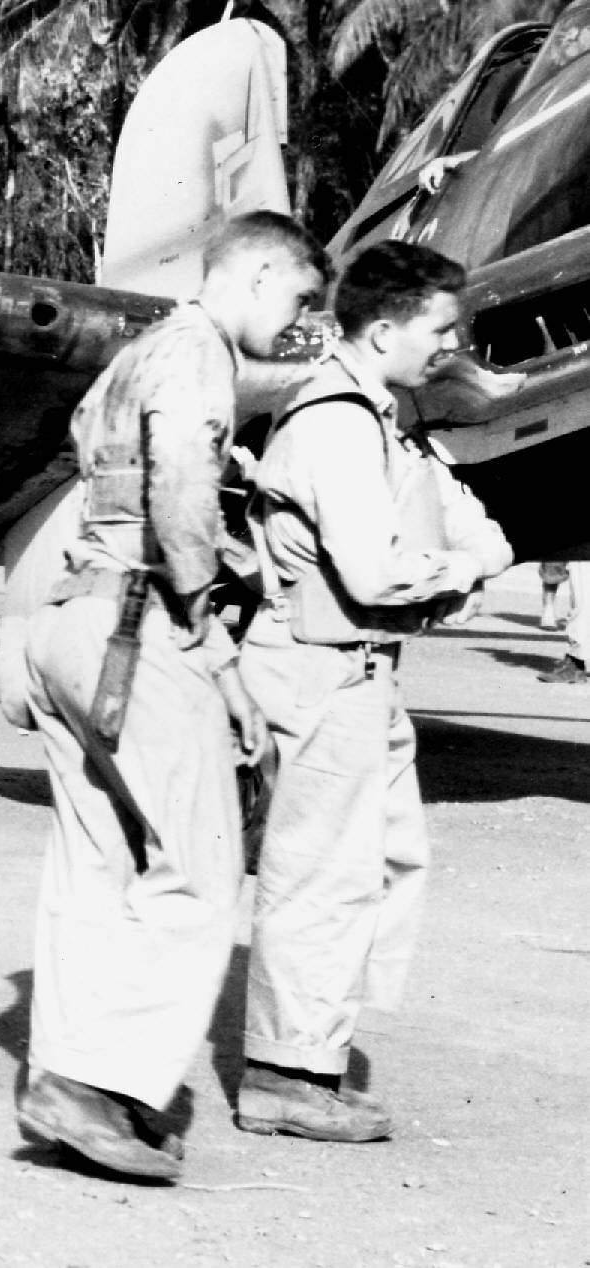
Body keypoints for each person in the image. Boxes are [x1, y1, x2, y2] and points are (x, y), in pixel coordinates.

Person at [14, 211, 330, 1182]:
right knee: (195, 873)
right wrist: (216, 648)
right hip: (140, 626)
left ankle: (66, 1077)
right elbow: (181, 492)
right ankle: (104, 1082)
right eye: (300, 298)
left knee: (93, 866)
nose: (303, 322)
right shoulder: (198, 355)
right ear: (256, 273)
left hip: (71, 618)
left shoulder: (134, 355)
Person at [236, 241, 511, 1140]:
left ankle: (311, 1052)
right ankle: (283, 1077)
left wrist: (467, 558)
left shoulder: (382, 415)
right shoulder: (335, 421)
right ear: (385, 328)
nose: (451, 343)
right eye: (439, 327)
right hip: (321, 660)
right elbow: (376, 569)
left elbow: (475, 523)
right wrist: (463, 572)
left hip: (358, 667)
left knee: (383, 865)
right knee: (320, 875)